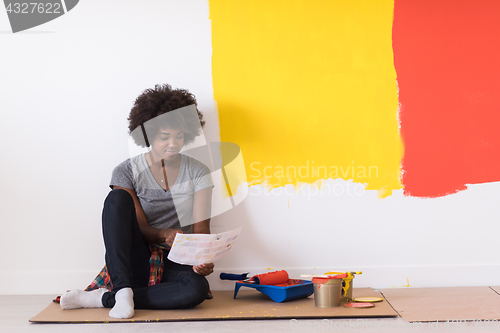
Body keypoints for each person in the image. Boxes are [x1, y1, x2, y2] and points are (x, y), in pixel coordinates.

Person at [60, 84, 215, 319]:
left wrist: (203, 259)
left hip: (177, 258)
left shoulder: (198, 172)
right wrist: (164, 234)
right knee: (116, 198)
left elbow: (201, 230)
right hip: (137, 259)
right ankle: (123, 290)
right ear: (148, 133)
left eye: (179, 136)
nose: (173, 143)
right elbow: (140, 230)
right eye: (164, 137)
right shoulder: (126, 172)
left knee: (196, 290)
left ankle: (103, 298)